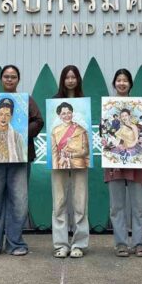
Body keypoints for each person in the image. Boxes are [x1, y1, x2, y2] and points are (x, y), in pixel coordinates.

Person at [0, 65, 44, 257]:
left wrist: (23, 134)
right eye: (6, 76)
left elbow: (38, 121)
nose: (9, 79)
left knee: (19, 202)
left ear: (18, 80)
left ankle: (15, 243)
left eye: (13, 77)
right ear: (1, 79)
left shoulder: (26, 100)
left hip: (20, 161)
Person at [104, 69, 142, 258]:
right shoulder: (107, 110)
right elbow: (109, 140)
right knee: (116, 206)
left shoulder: (139, 118)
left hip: (136, 161)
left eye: (125, 80)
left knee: (138, 206)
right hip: (115, 162)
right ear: (114, 84)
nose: (122, 83)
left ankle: (139, 243)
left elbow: (140, 138)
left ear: (130, 84)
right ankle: (121, 243)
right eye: (119, 80)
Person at [51, 65, 90, 258]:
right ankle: (61, 244)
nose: (70, 80)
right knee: (59, 203)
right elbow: (53, 146)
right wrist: (57, 159)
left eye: (74, 77)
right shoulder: (54, 110)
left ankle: (79, 243)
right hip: (58, 165)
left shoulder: (81, 120)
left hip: (79, 164)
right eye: (67, 77)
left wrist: (74, 155)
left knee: (80, 202)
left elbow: (85, 147)